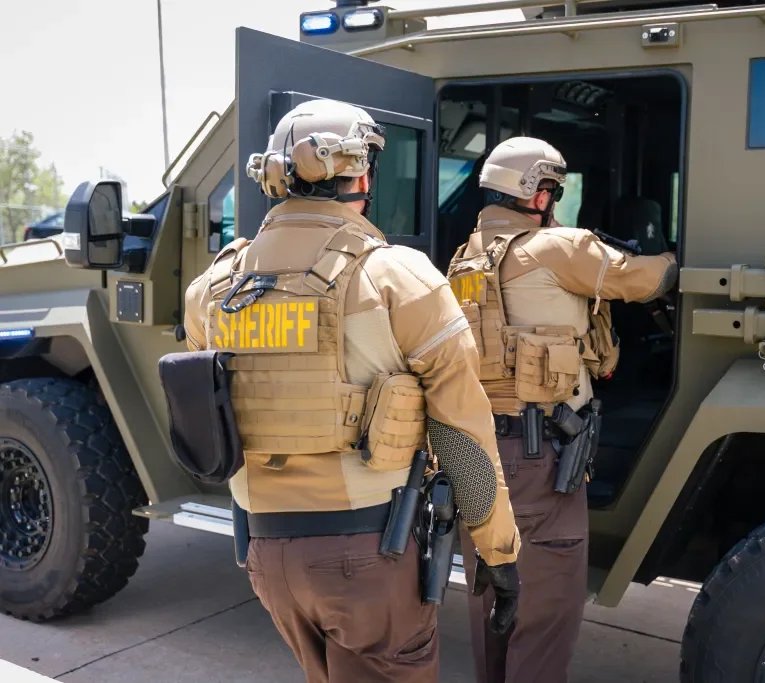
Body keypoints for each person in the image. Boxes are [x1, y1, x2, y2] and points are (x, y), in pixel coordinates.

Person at [181, 99, 522, 683]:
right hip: (367, 553)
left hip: (266, 554)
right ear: (361, 176)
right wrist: (498, 551)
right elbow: (462, 433)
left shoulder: (213, 287)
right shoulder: (397, 276)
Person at [447, 137, 678, 683]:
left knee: (492, 602)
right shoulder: (559, 248)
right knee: (545, 614)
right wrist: (674, 257)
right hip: (538, 459)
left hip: (476, 454)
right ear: (537, 192)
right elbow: (644, 279)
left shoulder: (465, 258)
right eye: (552, 189)